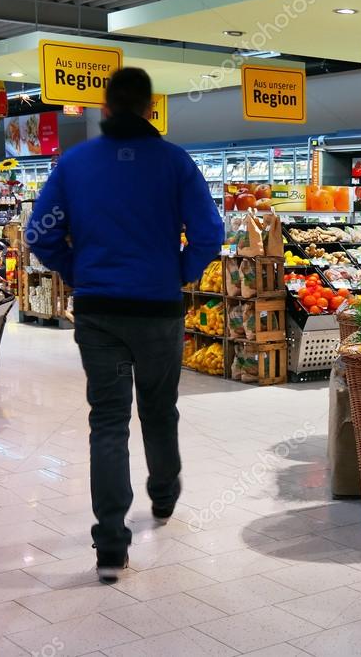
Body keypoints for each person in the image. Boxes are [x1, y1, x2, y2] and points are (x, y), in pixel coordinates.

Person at [26, 67, 224, 582]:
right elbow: (208, 233)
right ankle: (164, 493)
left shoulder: (74, 165)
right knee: (159, 410)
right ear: (148, 107)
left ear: (106, 109)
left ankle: (111, 543)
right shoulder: (175, 163)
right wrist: (178, 272)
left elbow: (39, 233)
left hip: (100, 315)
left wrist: (77, 270)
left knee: (108, 421)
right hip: (158, 311)